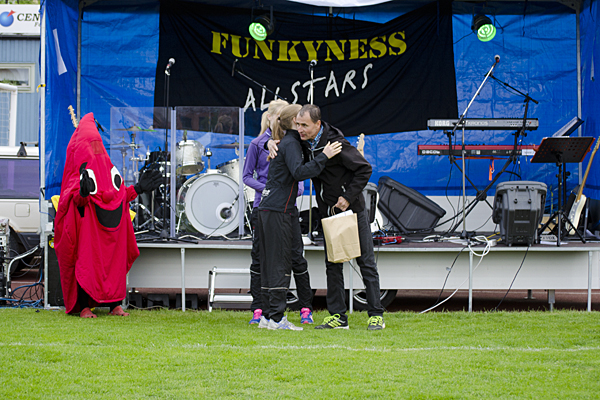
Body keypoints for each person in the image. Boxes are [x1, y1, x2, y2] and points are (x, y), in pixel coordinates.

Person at [268, 104, 385, 330]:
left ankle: (376, 315)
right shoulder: (303, 141)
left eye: (305, 125)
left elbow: (364, 169)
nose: (300, 129)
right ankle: (338, 317)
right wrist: (270, 143)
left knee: (366, 262)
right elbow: (283, 141)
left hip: (352, 211)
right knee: (333, 264)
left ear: (318, 124)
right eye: (298, 125)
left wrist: (348, 197)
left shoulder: (336, 143)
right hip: (329, 213)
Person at [54, 113, 162, 318]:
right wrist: (82, 193)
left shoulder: (107, 167)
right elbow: (72, 199)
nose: (95, 146)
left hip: (112, 229)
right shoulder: (78, 170)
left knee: (115, 263)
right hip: (89, 231)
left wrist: (138, 188)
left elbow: (118, 194)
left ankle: (115, 304)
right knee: (86, 263)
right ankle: (84, 306)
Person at [258, 104, 342, 330]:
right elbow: (300, 172)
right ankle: (276, 318)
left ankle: (268, 315)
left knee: (276, 261)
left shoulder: (288, 142)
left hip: (276, 208)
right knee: (279, 262)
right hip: (278, 210)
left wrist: (269, 142)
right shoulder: (291, 143)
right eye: (301, 121)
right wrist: (324, 156)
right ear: (295, 121)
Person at [243, 100, 315, 326]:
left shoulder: (292, 143)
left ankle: (303, 308)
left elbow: (298, 176)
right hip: (266, 207)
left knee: (295, 258)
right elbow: (246, 176)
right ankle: (262, 310)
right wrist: (269, 190)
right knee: (263, 260)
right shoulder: (260, 144)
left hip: (285, 207)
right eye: (298, 121)